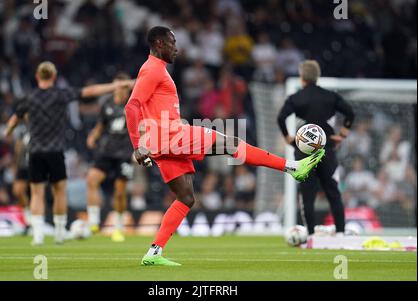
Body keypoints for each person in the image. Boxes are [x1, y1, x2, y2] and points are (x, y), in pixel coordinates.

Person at [124, 26, 325, 266]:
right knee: (230, 143)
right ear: (158, 44)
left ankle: (154, 253)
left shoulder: (156, 70)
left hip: (163, 141)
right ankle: (293, 167)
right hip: (170, 136)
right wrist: (138, 145)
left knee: (186, 197)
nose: (176, 48)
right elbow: (131, 106)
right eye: (171, 43)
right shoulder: (153, 70)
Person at [5, 61, 133, 246]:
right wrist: (114, 86)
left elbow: (14, 119)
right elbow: (90, 92)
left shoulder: (29, 97)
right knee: (62, 191)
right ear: (54, 77)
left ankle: (38, 236)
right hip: (57, 151)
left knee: (37, 193)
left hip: (35, 152)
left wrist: (8, 131)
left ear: (37, 76)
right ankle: (61, 232)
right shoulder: (61, 94)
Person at [277, 60, 355, 237]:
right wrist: (342, 134)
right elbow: (350, 112)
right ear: (317, 76)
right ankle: (341, 232)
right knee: (332, 190)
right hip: (326, 147)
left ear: (302, 77)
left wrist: (288, 138)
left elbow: (281, 118)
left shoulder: (296, 98)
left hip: (303, 150)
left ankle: (310, 235)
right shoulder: (330, 96)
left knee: (307, 193)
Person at [86, 72, 134, 242]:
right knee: (92, 179)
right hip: (106, 151)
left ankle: (118, 228)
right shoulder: (106, 104)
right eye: (116, 88)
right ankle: (93, 223)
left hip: (125, 153)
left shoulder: (134, 105)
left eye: (122, 88)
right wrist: (93, 136)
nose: (119, 91)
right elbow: (101, 125)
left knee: (120, 192)